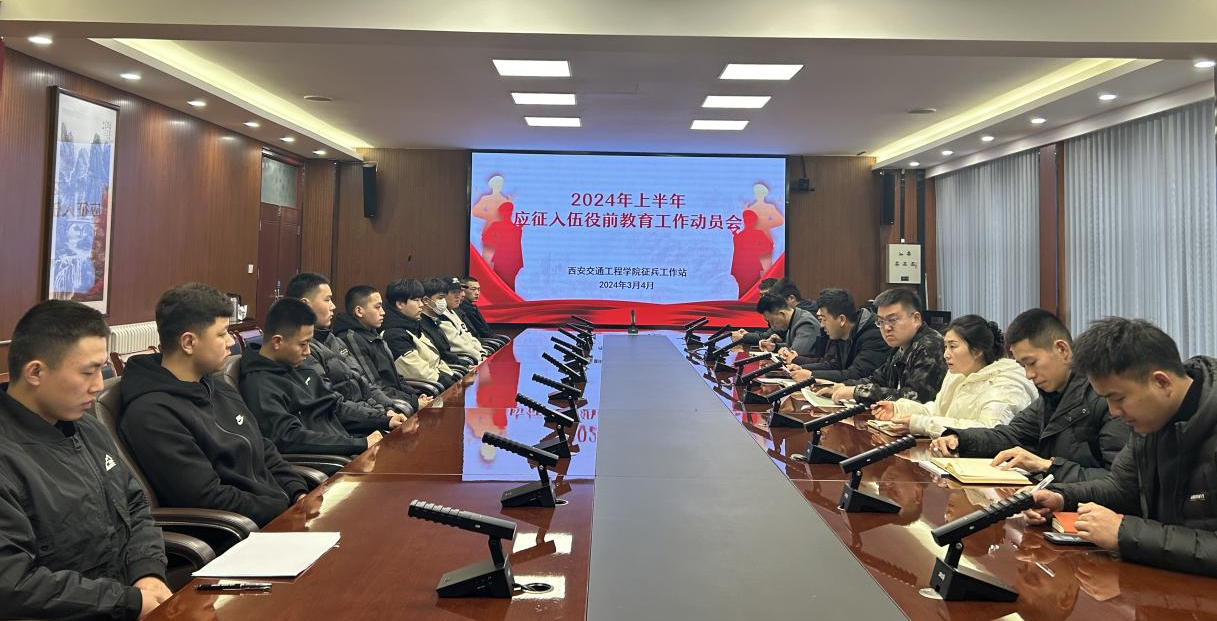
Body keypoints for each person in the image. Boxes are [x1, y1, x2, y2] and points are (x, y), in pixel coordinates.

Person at [0, 300, 171, 621]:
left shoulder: (87, 428)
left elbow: (135, 506)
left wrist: (147, 571)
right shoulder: (8, 457)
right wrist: (128, 602)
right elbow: (12, 584)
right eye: (88, 372)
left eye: (101, 370)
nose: (98, 386)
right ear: (35, 372)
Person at [1028, 318, 1217, 577]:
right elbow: (1122, 488)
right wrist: (1062, 497)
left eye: (1118, 398)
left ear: (1162, 383)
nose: (1114, 412)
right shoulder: (1152, 421)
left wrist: (1125, 533)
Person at [119, 283, 311, 527]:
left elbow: (262, 447)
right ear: (188, 343)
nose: (231, 341)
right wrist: (284, 509)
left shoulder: (216, 385)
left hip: (275, 514)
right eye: (222, 334)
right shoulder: (152, 414)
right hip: (237, 533)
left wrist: (297, 492)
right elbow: (207, 497)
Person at [930, 309, 1130, 483]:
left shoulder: (1108, 399)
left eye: (1032, 363)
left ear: (1062, 349)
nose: (1028, 375)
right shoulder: (1050, 397)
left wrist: (1046, 466)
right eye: (1022, 365)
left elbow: (1119, 481)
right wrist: (960, 439)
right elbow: (1011, 435)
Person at [239, 298, 384, 456]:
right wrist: (359, 444)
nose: (308, 352)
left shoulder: (299, 367)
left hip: (346, 446)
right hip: (329, 462)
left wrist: (383, 421)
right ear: (277, 341)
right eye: (303, 344)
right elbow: (290, 438)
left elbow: (335, 408)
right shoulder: (259, 385)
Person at [869, 314, 1037, 438]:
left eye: (953, 347)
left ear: (977, 351)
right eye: (945, 347)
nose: (946, 355)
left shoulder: (1005, 385)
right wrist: (899, 409)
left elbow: (988, 431)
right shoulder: (958, 374)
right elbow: (939, 412)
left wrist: (921, 424)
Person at [285, 273, 413, 429]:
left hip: (370, 418)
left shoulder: (333, 339)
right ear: (305, 305)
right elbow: (332, 404)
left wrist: (387, 408)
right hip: (351, 428)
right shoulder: (303, 349)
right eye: (327, 300)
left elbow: (364, 382)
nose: (333, 306)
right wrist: (380, 417)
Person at [822, 288, 947, 404]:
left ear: (916, 319)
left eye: (892, 320)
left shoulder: (931, 345)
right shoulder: (900, 347)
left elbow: (914, 398)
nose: (886, 328)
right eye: (881, 321)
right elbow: (878, 379)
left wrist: (857, 392)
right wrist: (843, 386)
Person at [333, 284, 434, 410]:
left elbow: (396, 379)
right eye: (377, 307)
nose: (383, 312)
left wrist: (416, 395)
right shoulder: (351, 339)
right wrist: (413, 402)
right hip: (385, 407)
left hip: (400, 400)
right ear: (359, 311)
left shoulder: (372, 332)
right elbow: (373, 387)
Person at [785, 288, 888, 383]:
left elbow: (857, 374)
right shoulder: (842, 333)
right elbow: (835, 365)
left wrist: (811, 375)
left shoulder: (874, 335)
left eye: (824, 319)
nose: (821, 325)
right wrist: (803, 369)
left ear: (842, 319)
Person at [382, 278, 462, 389]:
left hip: (439, 383)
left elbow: (436, 360)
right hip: (427, 391)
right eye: (416, 300)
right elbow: (419, 372)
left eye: (421, 300)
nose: (421, 305)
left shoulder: (414, 325)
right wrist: (450, 383)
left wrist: (453, 377)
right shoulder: (393, 335)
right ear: (400, 304)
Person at [421, 277, 479, 368]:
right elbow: (441, 357)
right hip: (445, 370)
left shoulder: (436, 320)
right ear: (426, 300)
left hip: (455, 365)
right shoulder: (422, 324)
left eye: (444, 298)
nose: (443, 302)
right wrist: (466, 365)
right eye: (440, 298)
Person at [436, 276, 487, 362]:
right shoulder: (441, 315)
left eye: (459, 292)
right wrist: (480, 357)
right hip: (466, 360)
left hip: (474, 356)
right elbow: (459, 345)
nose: (459, 296)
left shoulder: (453, 311)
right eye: (453, 292)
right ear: (443, 295)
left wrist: (482, 352)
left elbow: (468, 335)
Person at [753, 293, 820, 357]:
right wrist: (774, 347)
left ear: (782, 314)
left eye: (772, 321)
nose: (772, 326)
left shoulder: (806, 324)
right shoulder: (794, 318)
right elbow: (791, 345)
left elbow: (794, 354)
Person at [457, 276, 510, 348]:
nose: (477, 293)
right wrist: (497, 339)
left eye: (478, 289)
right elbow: (483, 332)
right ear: (463, 290)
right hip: (480, 344)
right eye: (473, 289)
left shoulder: (472, 307)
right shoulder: (466, 309)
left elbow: (486, 330)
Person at [730, 210, 773, 296]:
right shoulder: (739, 236)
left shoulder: (755, 234)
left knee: (750, 293)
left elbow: (769, 247)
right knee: (746, 293)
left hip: (749, 268)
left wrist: (755, 251)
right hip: (743, 269)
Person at [482, 202, 524, 289]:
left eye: (509, 211)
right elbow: (485, 238)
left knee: (507, 287)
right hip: (503, 261)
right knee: (502, 286)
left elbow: (517, 246)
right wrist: (498, 242)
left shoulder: (516, 228)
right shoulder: (498, 226)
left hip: (511, 262)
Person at [734, 277, 780, 346]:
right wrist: (747, 334)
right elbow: (770, 334)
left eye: (767, 295)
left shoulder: (781, 311)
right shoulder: (770, 310)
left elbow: (768, 336)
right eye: (761, 295)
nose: (763, 298)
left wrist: (744, 336)